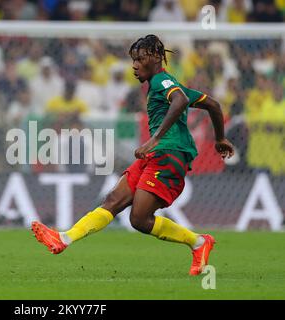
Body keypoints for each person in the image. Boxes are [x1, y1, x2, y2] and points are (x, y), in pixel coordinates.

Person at [31, 34, 235, 276]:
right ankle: (63, 238)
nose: (134, 65)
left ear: (156, 57)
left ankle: (199, 242)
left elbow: (179, 101)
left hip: (169, 156)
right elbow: (213, 104)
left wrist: (156, 139)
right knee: (113, 200)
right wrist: (220, 138)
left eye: (139, 59)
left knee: (139, 219)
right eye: (133, 60)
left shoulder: (162, 81)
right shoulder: (170, 85)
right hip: (155, 156)